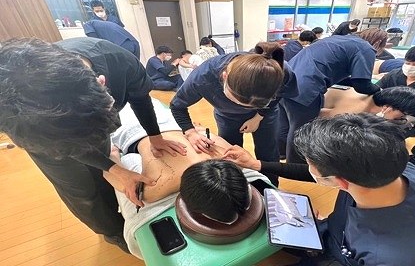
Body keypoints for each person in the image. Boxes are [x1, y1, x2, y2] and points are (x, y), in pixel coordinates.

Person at [0, 38, 186, 252]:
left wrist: (155, 136)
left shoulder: (121, 63)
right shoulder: (20, 118)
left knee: (106, 174)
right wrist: (112, 166)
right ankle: (114, 233)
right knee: (83, 193)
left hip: (81, 121)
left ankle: (118, 203)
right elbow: (67, 147)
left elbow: (140, 98)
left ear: (101, 83)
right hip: (47, 140)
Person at [223, 113, 415, 266]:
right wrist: (257, 165)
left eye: (310, 164)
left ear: (339, 182)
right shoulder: (396, 168)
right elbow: (322, 175)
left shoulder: (388, 255)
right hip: (339, 235)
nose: (308, 169)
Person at [109, 101, 272, 258]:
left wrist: (195, 130)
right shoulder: (154, 188)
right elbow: (118, 167)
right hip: (126, 122)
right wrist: (113, 156)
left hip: (167, 118)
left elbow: (207, 134)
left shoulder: (230, 160)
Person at [170, 42, 298, 186]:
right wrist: (190, 132)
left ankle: (270, 187)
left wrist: (259, 115)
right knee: (229, 153)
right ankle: (236, 186)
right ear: (224, 77)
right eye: (237, 101)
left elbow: (281, 94)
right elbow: (176, 106)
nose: (243, 108)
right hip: (227, 116)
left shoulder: (278, 69)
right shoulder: (203, 77)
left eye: (254, 104)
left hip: (265, 115)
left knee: (268, 153)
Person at [283, 28, 386, 163]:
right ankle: (296, 164)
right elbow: (361, 84)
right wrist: (379, 90)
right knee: (301, 128)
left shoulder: (337, 39)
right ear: (378, 42)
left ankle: (282, 154)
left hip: (287, 78)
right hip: (307, 86)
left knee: (286, 122)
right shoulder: (366, 48)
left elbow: (335, 69)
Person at [321, 86, 415, 122]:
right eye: (402, 115)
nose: (403, 118)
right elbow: (320, 116)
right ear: (387, 108)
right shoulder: (355, 111)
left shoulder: (377, 94)